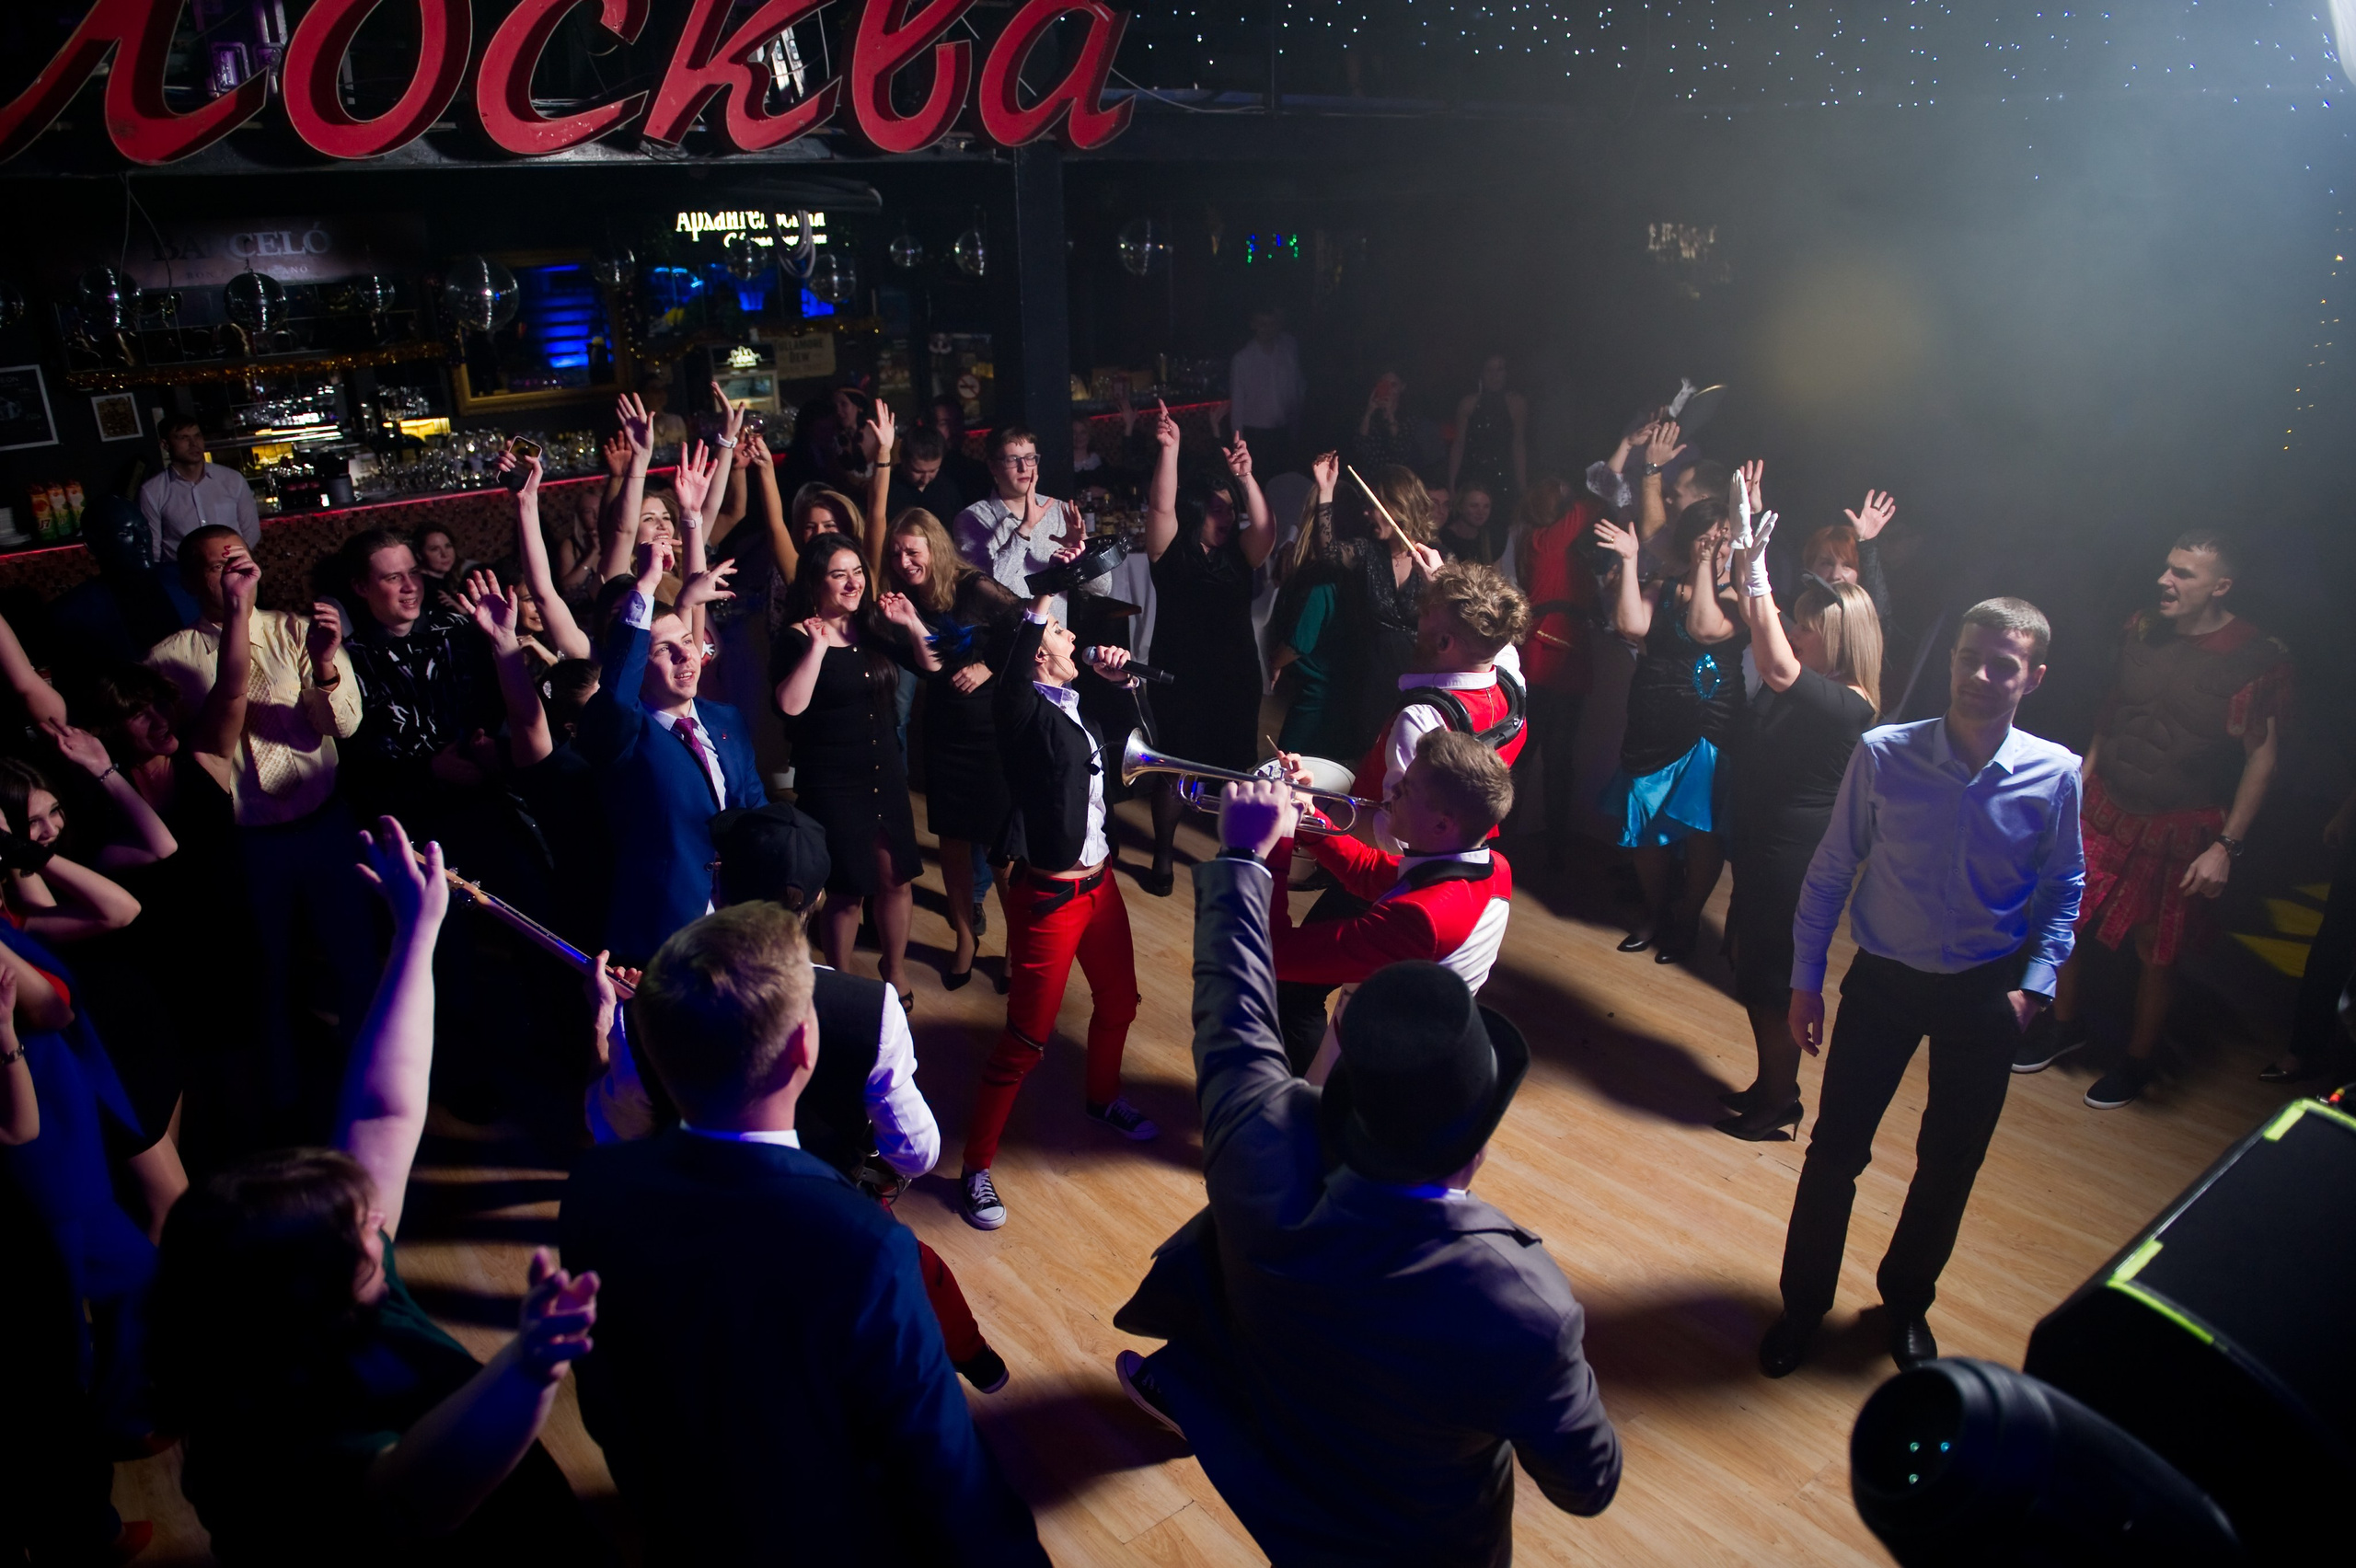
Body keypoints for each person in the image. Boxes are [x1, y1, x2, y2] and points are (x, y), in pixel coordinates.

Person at [1110, 776, 1621, 1564]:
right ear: (1476, 1147)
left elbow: (1233, 1009)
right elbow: (1587, 1484)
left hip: (1281, 1506)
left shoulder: (1260, 1140)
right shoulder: (1524, 1305)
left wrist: (1247, 853)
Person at [154, 821, 605, 1563]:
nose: (383, 1220)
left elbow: (381, 1115)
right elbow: (425, 1494)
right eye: (363, 1229)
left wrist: (416, 936)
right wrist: (527, 1366)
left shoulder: (339, 1299)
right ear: (300, 1287)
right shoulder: (287, 1436)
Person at [560, 900, 1050, 1564]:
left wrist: (607, 1036)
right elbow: (946, 1474)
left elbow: (612, 1398)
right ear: (803, 1050)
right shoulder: (865, 1250)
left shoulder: (595, 1191)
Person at [583, 801, 1012, 1393]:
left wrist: (608, 1036)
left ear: (719, 890)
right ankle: (969, 1354)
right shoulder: (873, 1010)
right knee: (913, 1269)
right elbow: (918, 1155)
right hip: (829, 1214)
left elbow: (616, 1139)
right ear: (817, 901)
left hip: (713, 1231)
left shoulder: (645, 1017)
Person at [1761, 598, 2085, 1378]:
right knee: (1835, 1152)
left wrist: (2035, 988)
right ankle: (1801, 1307)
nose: (1980, 676)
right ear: (1951, 659)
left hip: (1985, 991)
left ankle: (1906, 1303)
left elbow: (2064, 885)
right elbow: (1831, 869)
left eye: (2002, 665)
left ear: (2034, 677)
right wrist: (1806, 983)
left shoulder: (2056, 773)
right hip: (1885, 981)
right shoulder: (1884, 754)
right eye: (1969, 658)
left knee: (1949, 1163)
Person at [2017, 531, 2291, 1110]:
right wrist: (2078, 784)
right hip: (2107, 802)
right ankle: (2063, 1025)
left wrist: (2226, 847)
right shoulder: (2141, 629)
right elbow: (2111, 718)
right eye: (2167, 568)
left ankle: (2138, 1062)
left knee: (2156, 951)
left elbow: (2262, 760)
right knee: (2064, 914)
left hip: (2179, 822)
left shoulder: (2252, 658)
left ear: (2221, 585)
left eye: (2184, 574)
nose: (2166, 580)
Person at [145, 525, 377, 1112]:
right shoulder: (169, 659)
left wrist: (324, 665)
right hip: (247, 843)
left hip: (323, 824)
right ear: (190, 581)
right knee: (266, 975)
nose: (233, 571)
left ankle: (371, 1088)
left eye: (241, 560)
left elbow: (344, 725)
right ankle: (283, 1104)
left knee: (354, 959)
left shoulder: (297, 631)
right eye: (216, 565)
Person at [959, 571, 1159, 1230]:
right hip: (1051, 896)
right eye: (1060, 634)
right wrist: (1040, 600)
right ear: (1037, 654)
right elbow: (1015, 671)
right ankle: (974, 1169)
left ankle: (1102, 1099)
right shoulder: (1019, 710)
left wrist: (1122, 684)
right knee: (1024, 1041)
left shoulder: (1076, 704)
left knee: (1120, 1003)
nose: (1075, 639)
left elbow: (1137, 757)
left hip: (1101, 885)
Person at [1274, 561, 1530, 1071]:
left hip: (1377, 1058)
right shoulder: (1509, 678)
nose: (1416, 623)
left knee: (1294, 994)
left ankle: (1304, 1098)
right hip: (1445, 855)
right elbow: (1383, 869)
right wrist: (1311, 820)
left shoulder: (1422, 717)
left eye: (1426, 617)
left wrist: (1275, 846)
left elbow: (1393, 839)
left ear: (1446, 641)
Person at [1717, 490, 1883, 1140]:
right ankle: (1770, 1085)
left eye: (1806, 627)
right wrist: (1743, 552)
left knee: (1772, 978)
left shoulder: (1848, 703)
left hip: (1795, 858)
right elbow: (1760, 623)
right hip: (1763, 843)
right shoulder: (1811, 680)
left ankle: (1781, 1099)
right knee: (1752, 966)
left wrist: (1758, 574)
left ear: (1836, 636)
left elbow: (1778, 665)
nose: (1793, 631)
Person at [1270, 730, 1518, 1083]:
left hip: (1368, 1076)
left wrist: (1271, 842)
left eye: (1407, 789)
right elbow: (1368, 871)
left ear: (1442, 823)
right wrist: (1307, 814)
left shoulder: (1421, 918)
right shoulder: (1493, 868)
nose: (1392, 790)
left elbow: (1278, 953)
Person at [770, 535, 940, 1006]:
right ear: (815, 583)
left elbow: (933, 665)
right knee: (847, 890)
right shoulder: (796, 638)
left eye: (858, 572)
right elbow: (789, 707)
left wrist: (911, 621)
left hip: (884, 773)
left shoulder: (872, 626)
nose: (853, 583)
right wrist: (817, 649)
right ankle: (840, 984)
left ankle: (894, 968)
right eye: (839, 574)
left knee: (896, 879)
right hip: (833, 782)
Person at [574, 538, 758, 965]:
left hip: (737, 920)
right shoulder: (625, 733)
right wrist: (646, 585)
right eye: (663, 649)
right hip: (664, 933)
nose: (684, 655)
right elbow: (616, 696)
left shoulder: (726, 719)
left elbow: (753, 808)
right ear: (638, 666)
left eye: (687, 641)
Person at [1594, 497, 1746, 963]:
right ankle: (1657, 912)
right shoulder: (1662, 586)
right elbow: (1629, 625)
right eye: (1707, 535)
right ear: (1689, 538)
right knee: (1644, 821)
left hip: (1709, 724)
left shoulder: (1739, 596)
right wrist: (1630, 559)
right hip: (1653, 715)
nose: (1715, 544)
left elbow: (1703, 628)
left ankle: (1687, 919)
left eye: (1724, 537)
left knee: (1702, 829)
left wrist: (1705, 566)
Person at [1138, 403, 1277, 896]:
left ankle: (1232, 855)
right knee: (1175, 767)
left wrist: (1246, 478)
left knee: (1236, 769)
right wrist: (1170, 449)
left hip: (1235, 675)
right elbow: (1161, 508)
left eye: (1230, 510)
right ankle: (1162, 852)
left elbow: (1267, 530)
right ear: (1196, 511)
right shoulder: (1169, 552)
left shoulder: (1240, 555)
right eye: (1217, 509)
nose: (1228, 517)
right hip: (1180, 675)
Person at [880, 508, 1018, 988]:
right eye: (896, 553)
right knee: (953, 844)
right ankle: (964, 938)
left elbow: (1028, 624)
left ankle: (1018, 947)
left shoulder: (973, 587)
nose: (904, 561)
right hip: (944, 730)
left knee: (1001, 850)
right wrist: (908, 620)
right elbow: (931, 666)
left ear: (934, 546)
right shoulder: (904, 602)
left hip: (990, 730)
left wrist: (988, 666)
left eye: (912, 550)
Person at [335, 528, 505, 829]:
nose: (410, 586)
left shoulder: (459, 630)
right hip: (412, 816)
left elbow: (499, 702)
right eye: (393, 577)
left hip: (488, 796)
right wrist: (431, 769)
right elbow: (356, 763)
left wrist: (492, 746)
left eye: (413, 572)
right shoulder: (350, 658)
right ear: (361, 587)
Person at [1514, 490, 1601, 870]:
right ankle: (1499, 841)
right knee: (1522, 756)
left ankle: (1555, 847)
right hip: (1543, 660)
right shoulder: (1543, 542)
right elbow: (1588, 507)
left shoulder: (1566, 552)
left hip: (1569, 662)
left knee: (1559, 759)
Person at [1265, 451, 1362, 765]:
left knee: (1289, 770)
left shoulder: (1322, 580)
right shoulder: (1352, 572)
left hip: (1316, 700)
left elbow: (1299, 642)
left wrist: (1274, 661)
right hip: (1336, 697)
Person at [953, 426, 1088, 622]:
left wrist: (1083, 551)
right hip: (1005, 635)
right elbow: (987, 594)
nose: (1024, 467)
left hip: (1055, 634)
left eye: (1030, 458)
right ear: (993, 467)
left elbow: (1103, 587)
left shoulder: (1059, 510)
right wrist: (1025, 529)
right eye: (1012, 459)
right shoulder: (971, 519)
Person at [137, 413, 260, 564]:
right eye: (184, 438)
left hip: (232, 566)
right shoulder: (152, 491)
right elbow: (153, 546)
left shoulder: (233, 480)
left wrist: (232, 563)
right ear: (165, 444)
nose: (194, 443)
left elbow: (251, 532)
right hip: (181, 572)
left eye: (197, 436)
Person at [1448, 353, 1528, 512]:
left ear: (1506, 373)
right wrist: (1451, 485)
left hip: (1505, 476)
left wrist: (1522, 487)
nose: (1494, 375)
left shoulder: (1517, 403)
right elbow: (1459, 444)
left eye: (1499, 370)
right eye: (1489, 370)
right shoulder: (1468, 404)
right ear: (1482, 373)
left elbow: (1518, 444)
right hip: (1474, 474)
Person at [1228, 305, 1304, 469]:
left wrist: (1295, 427)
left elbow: (1294, 391)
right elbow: (1238, 404)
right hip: (1255, 434)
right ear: (1253, 325)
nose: (1267, 329)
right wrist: (1238, 443)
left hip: (1282, 432)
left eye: (1271, 324)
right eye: (1262, 324)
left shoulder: (1287, 354)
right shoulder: (1243, 359)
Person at [886, 425, 968, 525]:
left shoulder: (947, 488)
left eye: (933, 471)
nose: (925, 479)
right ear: (904, 461)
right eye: (918, 471)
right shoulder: (887, 489)